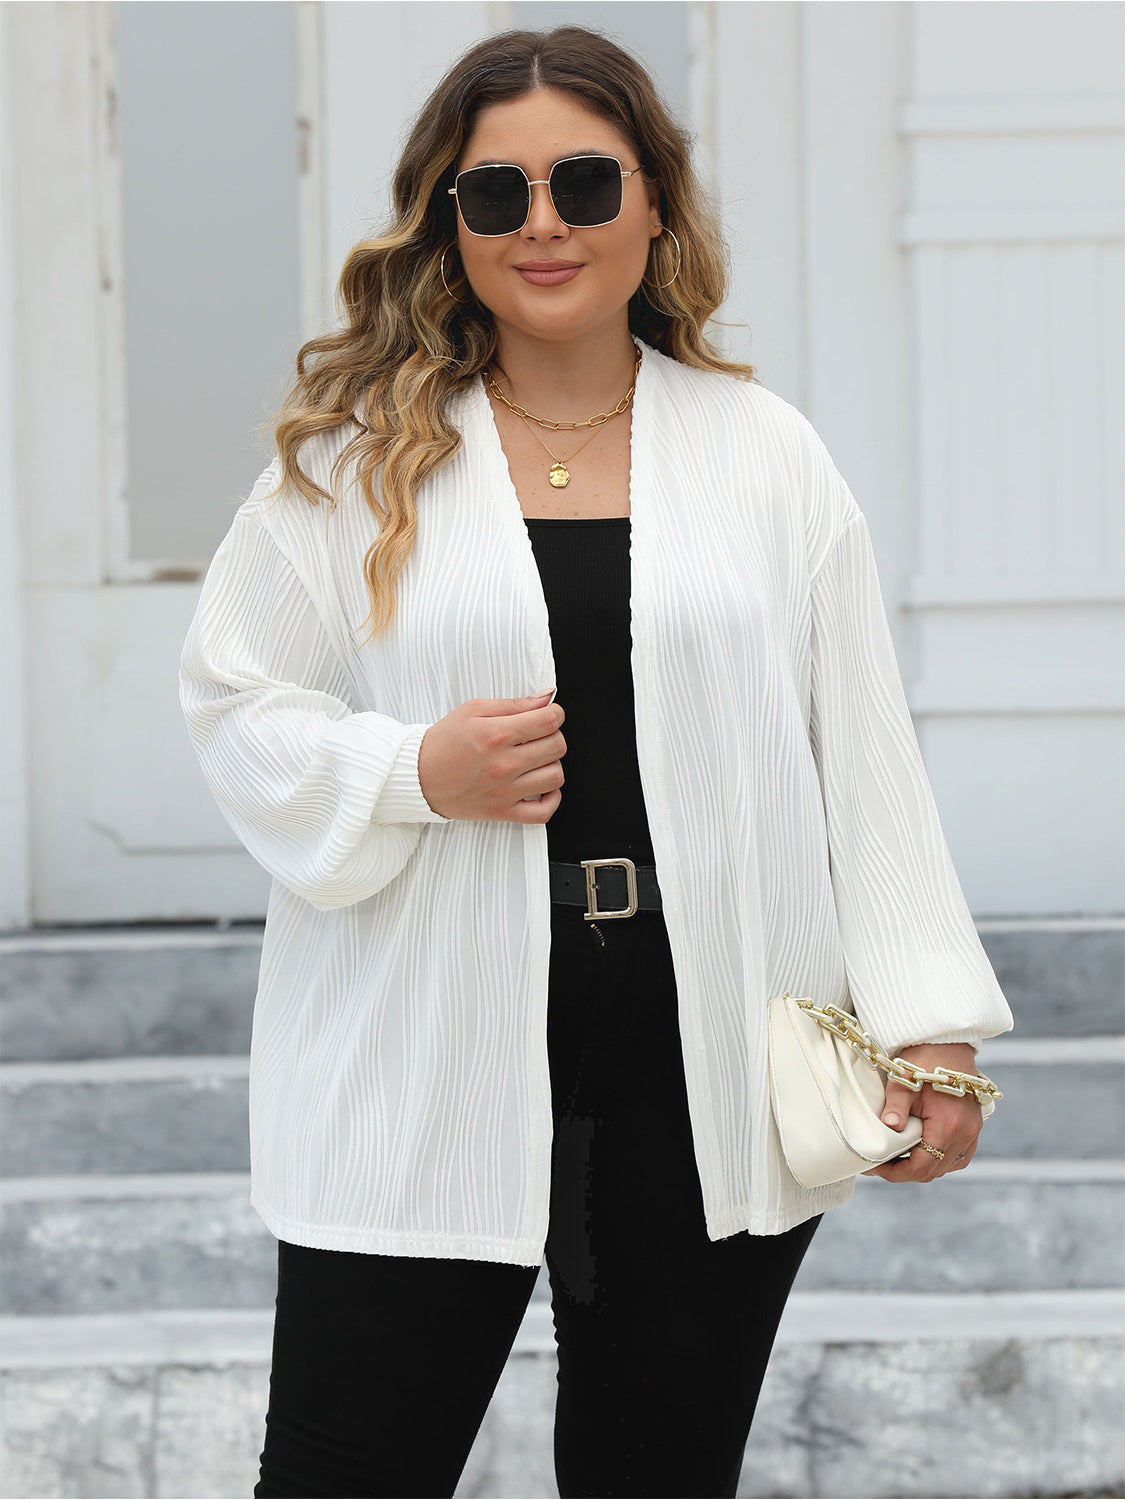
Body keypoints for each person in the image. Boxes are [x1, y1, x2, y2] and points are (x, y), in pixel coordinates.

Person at [178, 24, 1014, 1500]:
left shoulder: (764, 454)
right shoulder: (352, 463)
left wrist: (930, 1023)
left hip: (701, 1048)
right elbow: (233, 703)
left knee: (659, 1475)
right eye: (494, 192)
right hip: (423, 1040)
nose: (541, 224)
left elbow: (861, 750)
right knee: (342, 1476)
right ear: (449, 223)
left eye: (581, 182)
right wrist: (411, 771)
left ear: (654, 203)